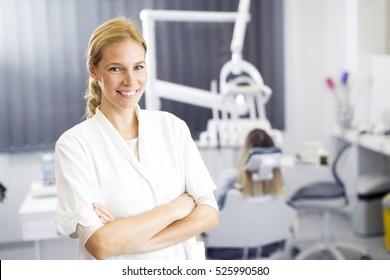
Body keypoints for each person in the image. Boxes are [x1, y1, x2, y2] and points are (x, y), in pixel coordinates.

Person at [55, 17, 219, 260]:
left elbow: (209, 213)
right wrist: (175, 209)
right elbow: (100, 243)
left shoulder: (172, 128)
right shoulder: (74, 145)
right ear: (94, 70)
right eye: (116, 68)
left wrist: (129, 240)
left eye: (138, 67)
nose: (131, 81)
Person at [207, 128, 284, 259]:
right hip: (268, 245)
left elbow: (214, 216)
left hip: (228, 249)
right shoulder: (280, 182)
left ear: (246, 153)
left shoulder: (230, 178)